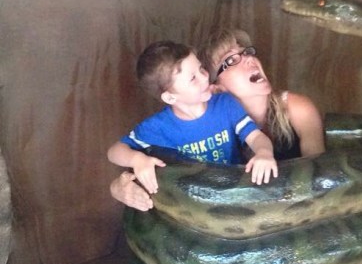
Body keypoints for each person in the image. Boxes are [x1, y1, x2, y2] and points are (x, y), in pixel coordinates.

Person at [110, 30, 325, 211]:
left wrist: (264, 153)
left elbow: (319, 178)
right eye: (230, 60)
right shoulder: (193, 117)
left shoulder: (293, 108)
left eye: (246, 52)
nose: (249, 58)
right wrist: (120, 185)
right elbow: (133, 160)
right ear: (215, 87)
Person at [107, 40, 278, 196]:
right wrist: (137, 159)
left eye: (201, 69)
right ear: (170, 97)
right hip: (191, 197)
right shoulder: (157, 127)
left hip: (235, 189)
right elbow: (114, 152)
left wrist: (264, 152)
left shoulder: (225, 104)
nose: (205, 77)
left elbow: (255, 137)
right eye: (193, 78)